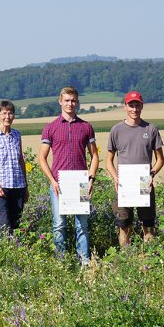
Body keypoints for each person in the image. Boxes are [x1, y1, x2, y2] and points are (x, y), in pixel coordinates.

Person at [38, 86, 99, 265]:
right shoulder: (51, 128)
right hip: (59, 183)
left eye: (73, 101)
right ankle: (61, 263)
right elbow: (42, 158)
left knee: (82, 226)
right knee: (59, 225)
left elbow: (95, 155)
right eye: (66, 100)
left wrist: (91, 179)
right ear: (60, 102)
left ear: (77, 102)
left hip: (80, 183)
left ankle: (85, 263)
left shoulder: (86, 127)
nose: (70, 104)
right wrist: (52, 181)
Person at [105, 91, 164, 246]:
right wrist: (115, 178)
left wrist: (151, 175)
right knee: (124, 227)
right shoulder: (116, 130)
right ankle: (126, 261)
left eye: (137, 105)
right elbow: (108, 161)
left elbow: (160, 160)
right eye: (131, 105)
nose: (134, 109)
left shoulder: (151, 129)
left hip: (145, 184)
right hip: (124, 186)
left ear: (142, 106)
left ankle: (149, 260)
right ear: (125, 107)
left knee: (148, 226)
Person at [0, 101, 28, 241]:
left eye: (10, 113)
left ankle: (13, 259)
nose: (7, 116)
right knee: (3, 224)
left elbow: (21, 160)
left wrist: (26, 187)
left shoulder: (17, 135)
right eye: (4, 113)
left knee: (15, 225)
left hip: (17, 186)